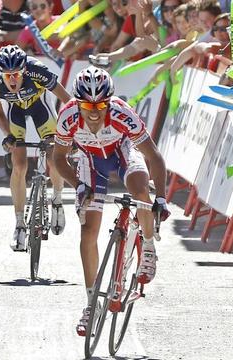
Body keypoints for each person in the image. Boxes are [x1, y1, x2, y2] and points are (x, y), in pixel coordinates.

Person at [51, 66, 170, 335]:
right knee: (88, 231)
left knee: (141, 191)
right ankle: (91, 304)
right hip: (90, 161)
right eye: (87, 105)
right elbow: (58, 158)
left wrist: (160, 197)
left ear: (110, 101)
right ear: (77, 102)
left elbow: (153, 156)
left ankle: (148, 247)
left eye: (101, 104)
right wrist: (79, 185)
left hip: (122, 152)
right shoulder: (68, 116)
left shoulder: (121, 114)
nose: (94, 111)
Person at [0, 45, 70, 251]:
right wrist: (9, 137)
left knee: (53, 156)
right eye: (7, 75)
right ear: (0, 74)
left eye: (17, 74)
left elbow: (67, 100)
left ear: (24, 70)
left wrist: (69, 131)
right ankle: (20, 224)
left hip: (41, 108)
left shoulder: (37, 70)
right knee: (19, 165)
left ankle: (57, 199)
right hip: (16, 114)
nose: (12, 80)